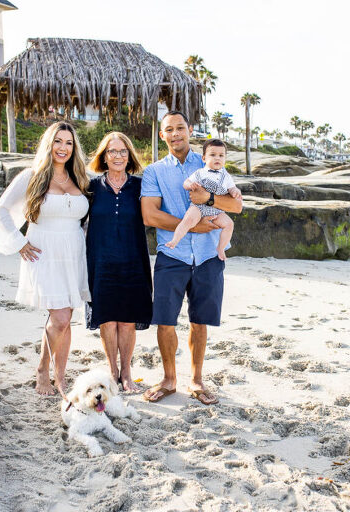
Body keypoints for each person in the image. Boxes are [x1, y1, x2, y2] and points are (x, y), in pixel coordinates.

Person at [140, 111, 243, 405]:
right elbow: (150, 215)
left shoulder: (210, 162)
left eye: (180, 128)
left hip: (209, 255)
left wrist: (208, 200)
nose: (175, 134)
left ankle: (197, 380)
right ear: (162, 135)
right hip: (172, 254)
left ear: (190, 130)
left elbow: (236, 207)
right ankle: (169, 379)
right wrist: (192, 226)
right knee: (165, 322)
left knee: (200, 322)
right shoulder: (154, 171)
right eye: (169, 130)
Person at [0, 121, 91, 396]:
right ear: (49, 144)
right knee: (59, 318)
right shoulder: (31, 176)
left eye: (69, 143)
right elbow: (1, 209)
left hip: (74, 253)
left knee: (66, 316)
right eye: (58, 141)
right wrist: (19, 242)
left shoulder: (80, 178)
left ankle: (60, 377)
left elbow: (87, 219)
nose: (63, 148)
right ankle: (42, 370)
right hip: (43, 253)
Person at [85, 132, 152, 392]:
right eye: (112, 151)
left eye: (123, 151)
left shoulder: (140, 186)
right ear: (103, 156)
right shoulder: (90, 187)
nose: (118, 156)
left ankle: (126, 370)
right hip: (100, 261)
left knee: (126, 319)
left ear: (130, 155)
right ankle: (111, 369)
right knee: (107, 318)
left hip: (132, 260)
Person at [164, 138, 242, 260]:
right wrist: (190, 185)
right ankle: (175, 240)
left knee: (229, 224)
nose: (217, 158)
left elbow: (232, 188)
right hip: (198, 207)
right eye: (213, 155)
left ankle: (220, 248)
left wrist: (235, 191)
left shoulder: (226, 176)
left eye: (221, 155)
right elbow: (186, 182)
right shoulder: (200, 173)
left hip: (216, 210)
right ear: (204, 158)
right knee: (188, 220)